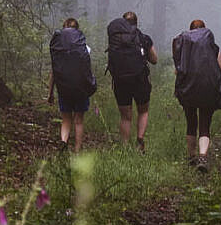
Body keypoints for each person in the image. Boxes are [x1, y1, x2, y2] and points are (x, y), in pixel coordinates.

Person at [172, 19, 221, 173]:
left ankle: (191, 157)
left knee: (191, 122)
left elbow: (177, 71)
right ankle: (203, 157)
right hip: (208, 89)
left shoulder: (184, 45)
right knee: (204, 124)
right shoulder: (211, 45)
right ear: (204, 30)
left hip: (188, 89)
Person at [106, 11, 158, 153]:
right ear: (136, 22)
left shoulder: (115, 39)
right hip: (139, 79)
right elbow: (154, 60)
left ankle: (124, 146)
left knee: (125, 116)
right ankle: (140, 141)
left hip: (120, 80)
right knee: (143, 111)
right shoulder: (143, 37)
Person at [47, 18, 94, 152]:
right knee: (79, 120)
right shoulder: (85, 47)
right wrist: (90, 85)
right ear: (77, 30)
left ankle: (63, 141)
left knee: (66, 119)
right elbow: (87, 69)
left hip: (64, 88)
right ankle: (77, 149)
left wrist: (50, 93)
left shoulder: (58, 48)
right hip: (81, 88)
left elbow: (53, 73)